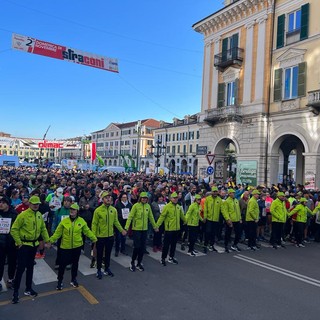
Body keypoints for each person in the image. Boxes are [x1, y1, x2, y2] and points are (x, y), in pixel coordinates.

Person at [10, 195, 50, 304]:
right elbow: (14, 229)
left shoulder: (38, 215)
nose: (36, 205)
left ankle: (28, 288)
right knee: (21, 268)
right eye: (34, 203)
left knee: (30, 267)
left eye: (37, 204)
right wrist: (18, 242)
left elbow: (43, 229)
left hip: (34, 245)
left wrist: (47, 240)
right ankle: (16, 291)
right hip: (24, 245)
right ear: (30, 204)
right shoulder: (23, 215)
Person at [48, 203, 97, 290]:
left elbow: (87, 231)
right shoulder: (64, 221)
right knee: (62, 265)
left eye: (74, 209)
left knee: (75, 264)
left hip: (77, 246)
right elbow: (57, 233)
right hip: (65, 247)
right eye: (71, 209)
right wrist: (50, 241)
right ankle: (60, 281)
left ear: (77, 211)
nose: (72, 211)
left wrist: (94, 238)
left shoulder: (81, 221)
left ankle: (73, 279)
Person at [92, 191, 126, 279]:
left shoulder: (113, 210)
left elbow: (116, 222)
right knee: (99, 254)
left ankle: (107, 268)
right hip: (100, 236)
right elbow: (94, 224)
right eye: (106, 198)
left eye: (109, 197)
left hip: (110, 236)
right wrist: (93, 236)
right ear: (102, 199)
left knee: (108, 254)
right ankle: (99, 270)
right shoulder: (98, 210)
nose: (108, 199)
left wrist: (121, 230)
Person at [125, 192, 158, 271]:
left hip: (144, 229)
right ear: (140, 198)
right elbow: (130, 217)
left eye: (145, 198)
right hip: (136, 229)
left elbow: (151, 217)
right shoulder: (135, 206)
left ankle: (139, 263)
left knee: (142, 247)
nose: (144, 199)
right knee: (137, 247)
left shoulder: (148, 206)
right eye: (143, 198)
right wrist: (126, 228)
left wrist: (155, 226)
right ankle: (132, 262)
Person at [156, 192, 186, 266]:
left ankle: (171, 257)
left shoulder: (178, 206)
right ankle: (163, 258)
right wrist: (157, 226)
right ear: (170, 199)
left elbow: (182, 216)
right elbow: (162, 217)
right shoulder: (167, 207)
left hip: (176, 229)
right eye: (174, 198)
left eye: (176, 198)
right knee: (166, 245)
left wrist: (186, 221)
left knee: (173, 244)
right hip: (169, 229)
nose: (175, 199)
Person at [0, 196, 17, 291]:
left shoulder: (14, 214)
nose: (1, 204)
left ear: (8, 204)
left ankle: (10, 280)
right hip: (0, 243)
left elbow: (17, 228)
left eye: (3, 202)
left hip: (11, 243)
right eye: (0, 202)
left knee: (12, 262)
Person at [221, 189, 242, 253]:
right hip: (230, 220)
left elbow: (238, 210)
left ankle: (234, 245)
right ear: (229, 194)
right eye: (232, 193)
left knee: (238, 233)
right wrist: (228, 219)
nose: (233, 194)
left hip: (237, 220)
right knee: (228, 234)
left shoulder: (236, 200)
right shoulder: (226, 201)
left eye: (234, 193)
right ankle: (226, 246)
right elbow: (224, 211)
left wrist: (240, 218)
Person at [203, 186, 222, 253]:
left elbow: (222, 209)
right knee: (208, 232)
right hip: (209, 218)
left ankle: (211, 245)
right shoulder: (207, 199)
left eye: (216, 191)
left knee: (213, 233)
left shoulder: (219, 200)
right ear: (211, 192)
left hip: (215, 219)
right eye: (214, 191)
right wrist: (205, 217)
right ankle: (205, 245)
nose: (215, 193)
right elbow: (205, 209)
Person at [114, 192, 132, 256]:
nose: (124, 198)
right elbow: (115, 214)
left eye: (125, 197)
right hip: (119, 222)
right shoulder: (118, 205)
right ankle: (117, 250)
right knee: (118, 237)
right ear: (121, 198)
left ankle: (123, 249)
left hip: (126, 223)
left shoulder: (129, 205)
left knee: (123, 237)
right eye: (123, 197)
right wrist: (122, 215)